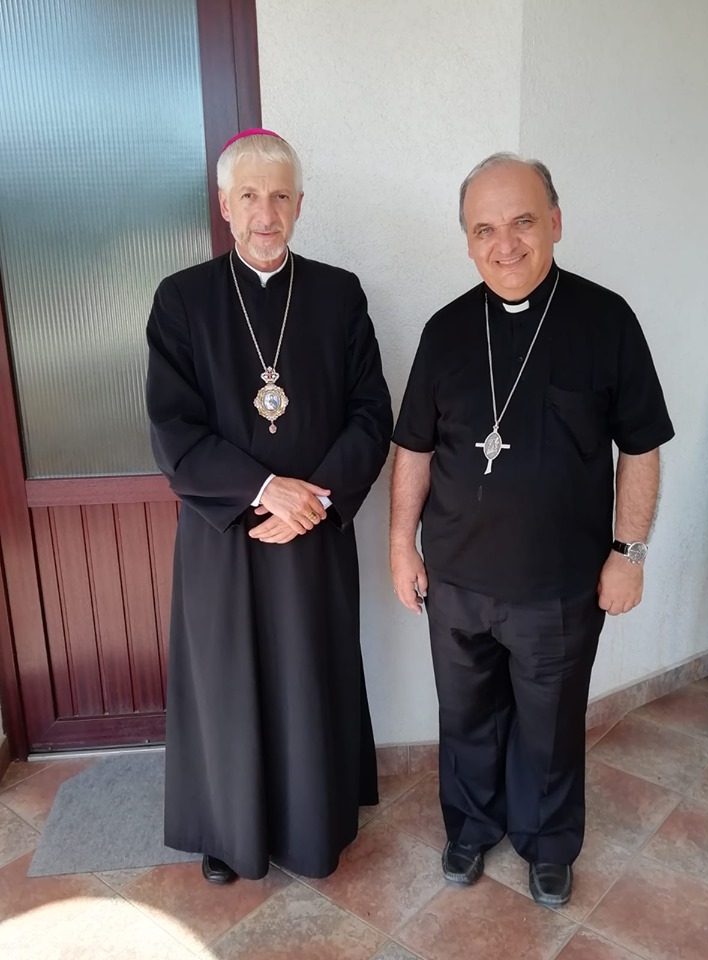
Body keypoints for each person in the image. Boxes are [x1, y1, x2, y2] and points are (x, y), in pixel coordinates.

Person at [390, 153, 673, 907]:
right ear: (467, 240)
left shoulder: (606, 320)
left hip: (559, 585)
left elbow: (641, 446)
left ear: (555, 221)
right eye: (484, 229)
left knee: (549, 727)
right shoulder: (446, 330)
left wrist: (629, 553)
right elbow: (413, 448)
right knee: (465, 719)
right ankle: (470, 827)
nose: (505, 244)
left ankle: (548, 843)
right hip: (455, 579)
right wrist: (400, 546)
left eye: (522, 222)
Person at [146, 128, 392, 883]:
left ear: (300, 204)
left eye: (280, 195)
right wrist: (263, 490)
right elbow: (172, 427)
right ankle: (230, 835)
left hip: (314, 532)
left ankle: (314, 830)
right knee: (229, 684)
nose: (265, 213)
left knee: (308, 677)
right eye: (249, 195)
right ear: (224, 205)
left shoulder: (339, 295)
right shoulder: (182, 299)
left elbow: (371, 414)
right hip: (224, 537)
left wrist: (311, 499)